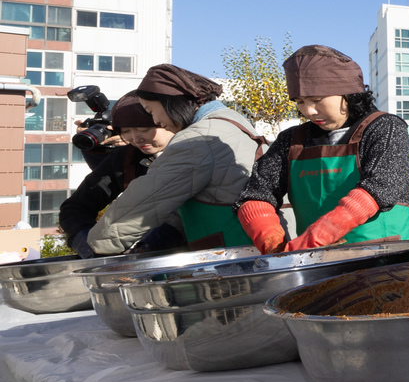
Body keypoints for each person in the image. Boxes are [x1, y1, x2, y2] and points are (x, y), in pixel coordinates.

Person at [235, 45, 409, 253]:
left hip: (387, 256)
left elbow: (381, 187)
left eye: (317, 100)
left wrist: (315, 238)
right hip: (317, 261)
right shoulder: (291, 140)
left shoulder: (385, 128)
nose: (309, 111)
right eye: (300, 102)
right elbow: (256, 194)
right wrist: (271, 242)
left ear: (347, 94)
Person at [87, 65, 264, 254]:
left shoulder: (197, 140)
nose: (155, 121)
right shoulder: (235, 123)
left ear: (168, 102)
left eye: (151, 110)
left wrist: (97, 243)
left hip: (235, 257)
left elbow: (144, 202)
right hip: (261, 247)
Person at [60, 93, 184, 257]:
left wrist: (151, 245)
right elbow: (75, 208)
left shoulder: (196, 151)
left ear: (170, 123)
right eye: (126, 131)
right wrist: (89, 246)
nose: (136, 138)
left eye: (145, 129)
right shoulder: (126, 157)